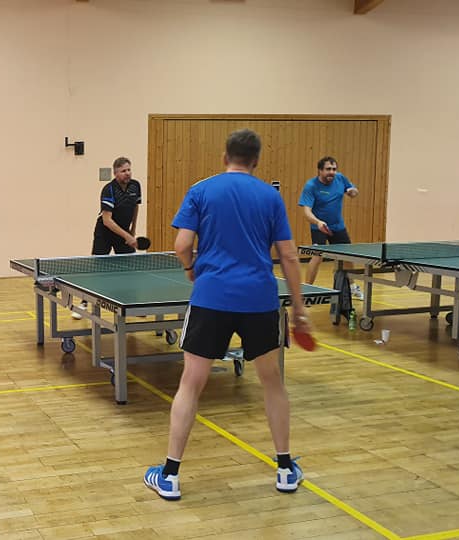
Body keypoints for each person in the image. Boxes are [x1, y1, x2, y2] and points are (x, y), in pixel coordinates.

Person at [143, 128, 312, 501]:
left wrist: (191, 269)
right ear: (256, 161)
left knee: (191, 384)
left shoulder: (201, 190)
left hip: (212, 298)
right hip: (259, 301)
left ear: (225, 157)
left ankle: (169, 475)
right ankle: (285, 469)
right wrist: (299, 309)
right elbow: (288, 256)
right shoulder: (270, 197)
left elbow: (182, 245)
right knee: (272, 383)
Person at [73, 157, 142, 320]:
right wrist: (128, 236)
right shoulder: (109, 189)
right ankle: (83, 303)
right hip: (105, 232)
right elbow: (107, 220)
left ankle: (131, 303)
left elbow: (135, 207)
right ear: (116, 173)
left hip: (124, 232)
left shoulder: (135, 185)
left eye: (129, 170)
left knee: (129, 268)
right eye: (123, 171)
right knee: (97, 268)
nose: (127, 173)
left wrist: (133, 230)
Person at [298, 157, 360, 296]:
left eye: (333, 169)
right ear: (320, 170)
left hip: (338, 226)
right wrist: (318, 222)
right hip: (319, 226)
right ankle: (307, 291)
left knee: (347, 256)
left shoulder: (340, 178)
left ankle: (352, 287)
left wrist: (353, 192)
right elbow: (307, 211)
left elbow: (353, 191)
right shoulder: (311, 186)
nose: (331, 172)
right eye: (328, 169)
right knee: (317, 257)